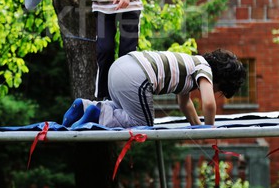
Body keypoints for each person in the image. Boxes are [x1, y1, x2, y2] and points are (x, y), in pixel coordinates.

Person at [62, 49, 246, 129]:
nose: (214, 91)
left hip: (120, 67)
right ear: (219, 78)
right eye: (218, 89)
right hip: (137, 75)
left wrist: (197, 126)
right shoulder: (204, 69)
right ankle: (98, 115)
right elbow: (209, 104)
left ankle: (87, 107)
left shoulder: (189, 65)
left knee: (122, 110)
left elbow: (185, 103)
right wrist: (210, 128)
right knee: (142, 124)